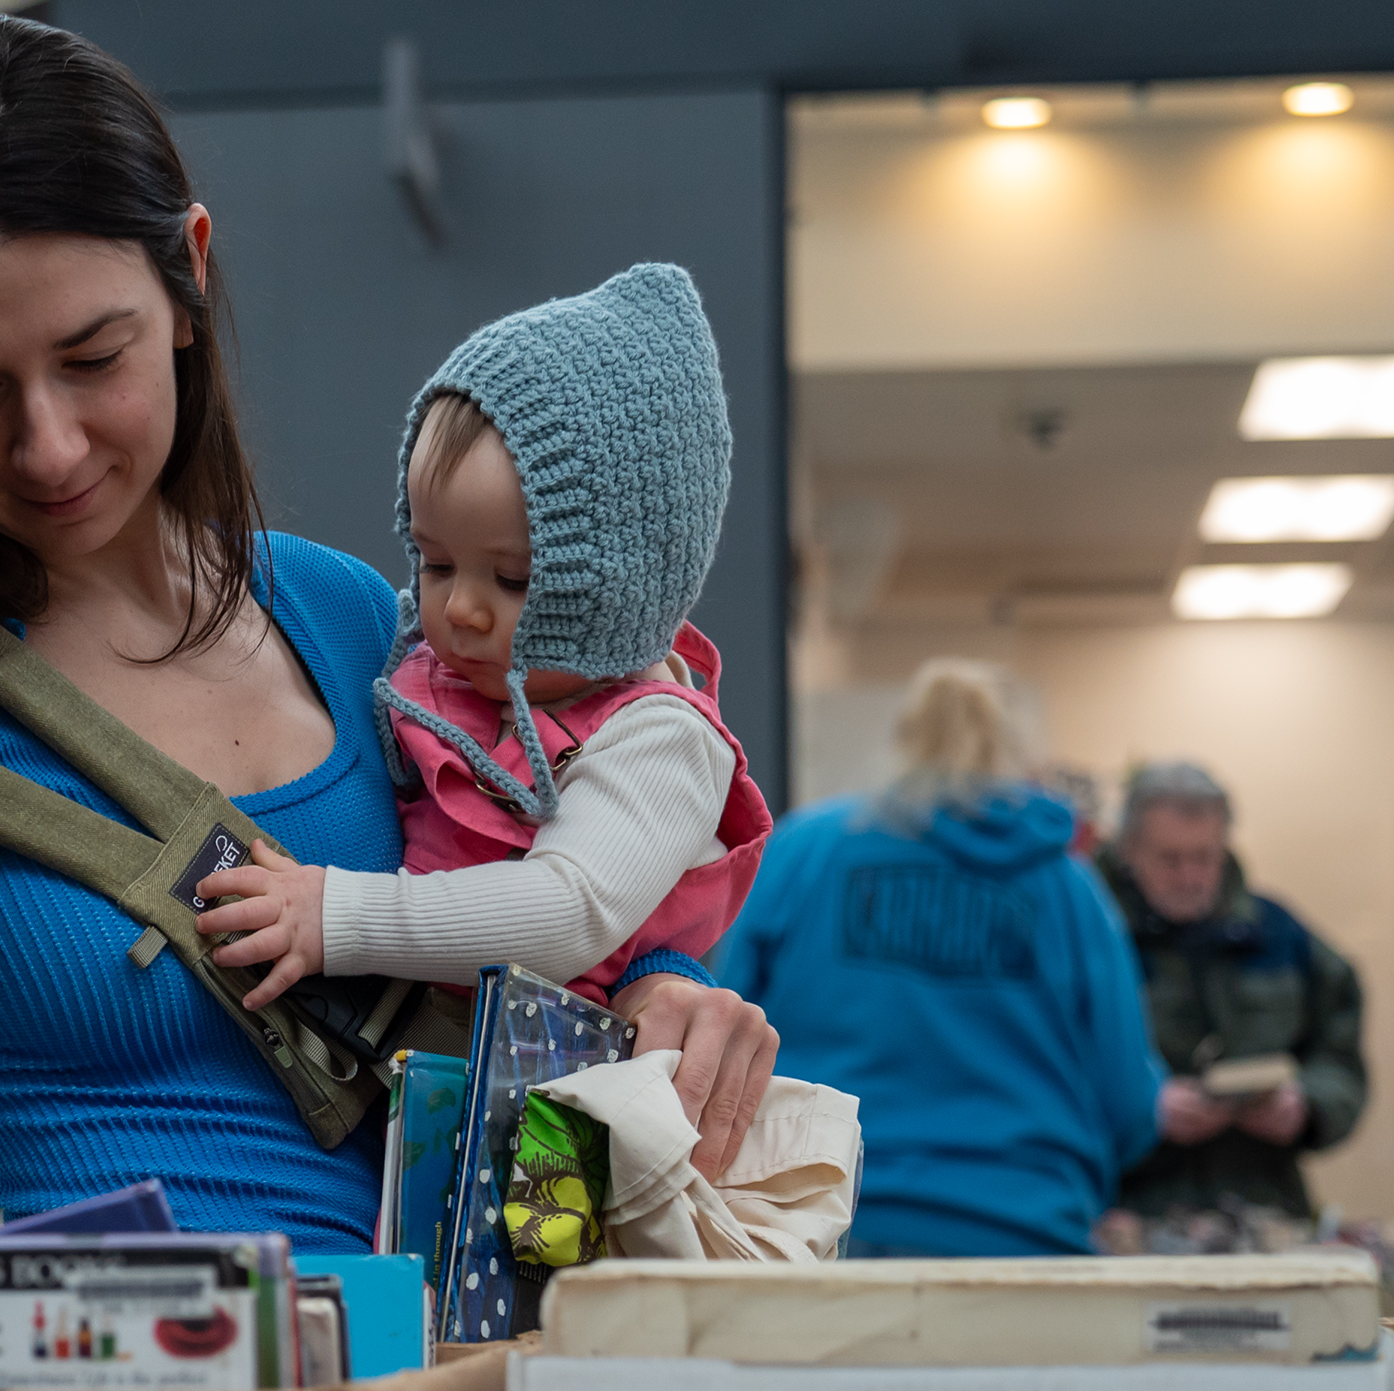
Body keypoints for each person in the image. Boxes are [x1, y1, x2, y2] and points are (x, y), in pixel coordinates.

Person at [0, 15, 777, 1248]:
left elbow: (518, 898)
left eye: (92, 357)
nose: (48, 447)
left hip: (457, 1385)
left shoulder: (351, 617)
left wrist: (669, 997)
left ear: (187, 275)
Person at [183, 265, 772, 1026]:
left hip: (555, 1108)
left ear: (625, 583)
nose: (460, 608)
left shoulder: (661, 739)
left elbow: (567, 909)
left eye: (514, 578)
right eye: (434, 561)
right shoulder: (423, 671)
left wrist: (336, 914)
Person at [708, 660, 1163, 1257]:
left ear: (902, 739)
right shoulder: (1067, 889)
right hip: (1020, 1227)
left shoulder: (806, 850)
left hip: (814, 1221)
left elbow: (724, 1023)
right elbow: (1130, 1098)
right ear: (1012, 752)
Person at [1098, 760, 1367, 1224]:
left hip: (1265, 1210)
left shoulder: (1280, 935)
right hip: (1127, 1215)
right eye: (1169, 859)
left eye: (1205, 857)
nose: (1189, 877)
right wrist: (1143, 1110)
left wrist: (1307, 1104)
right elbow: (1042, 1072)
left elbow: (1339, 1056)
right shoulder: (1092, 941)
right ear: (1128, 851)